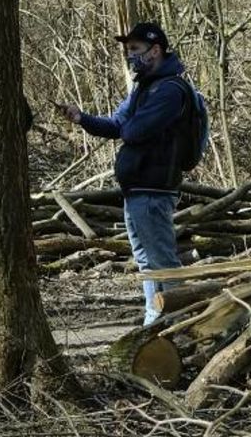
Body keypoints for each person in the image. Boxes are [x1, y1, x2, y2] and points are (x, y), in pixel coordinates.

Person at [56, 21, 190, 326]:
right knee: (146, 261)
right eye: (127, 49)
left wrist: (128, 126)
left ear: (155, 50)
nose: (129, 56)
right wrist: (82, 118)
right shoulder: (145, 87)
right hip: (138, 189)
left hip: (155, 190)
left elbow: (134, 130)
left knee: (162, 262)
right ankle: (154, 321)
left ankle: (180, 323)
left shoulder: (170, 90)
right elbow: (119, 124)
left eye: (135, 49)